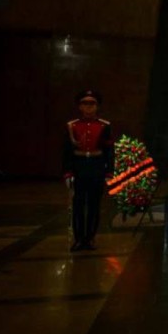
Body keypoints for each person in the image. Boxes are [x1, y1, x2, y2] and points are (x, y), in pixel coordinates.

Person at [63, 90, 114, 252]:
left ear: (97, 106)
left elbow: (109, 150)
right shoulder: (72, 126)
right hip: (79, 167)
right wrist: (68, 172)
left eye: (92, 103)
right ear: (79, 106)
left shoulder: (104, 126)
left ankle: (90, 238)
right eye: (85, 103)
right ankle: (78, 239)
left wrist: (109, 172)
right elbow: (66, 151)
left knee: (94, 205)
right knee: (77, 205)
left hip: (96, 167)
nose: (88, 107)